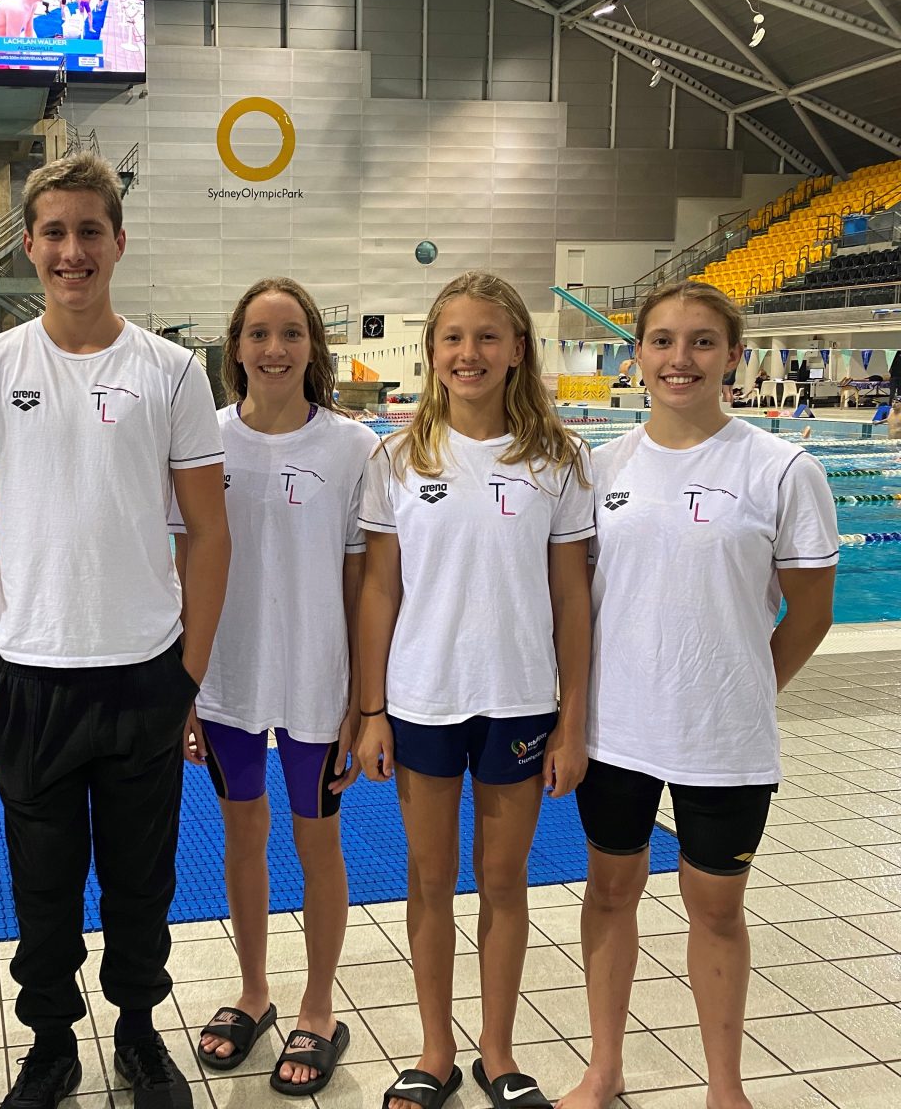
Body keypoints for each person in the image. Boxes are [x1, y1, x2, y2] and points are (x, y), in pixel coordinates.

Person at [0, 152, 229, 1109]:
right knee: (45, 884)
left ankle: (140, 1032)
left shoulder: (171, 371)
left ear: (119, 241)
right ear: (27, 246)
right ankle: (53, 1044)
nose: (72, 251)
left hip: (145, 673)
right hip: (29, 677)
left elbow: (208, 530)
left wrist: (188, 672)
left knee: (143, 880)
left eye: (89, 231)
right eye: (54, 233)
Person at [556, 281, 837, 1109]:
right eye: (664, 341)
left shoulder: (782, 469)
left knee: (716, 910)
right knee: (611, 893)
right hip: (615, 731)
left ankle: (725, 1088)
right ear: (637, 356)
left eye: (703, 342)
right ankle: (604, 1069)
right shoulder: (599, 468)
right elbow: (575, 602)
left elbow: (811, 613)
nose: (681, 359)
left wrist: (744, 688)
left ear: (733, 357)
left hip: (725, 739)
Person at [355, 271, 593, 1109]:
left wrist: (573, 721)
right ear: (431, 351)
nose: (470, 353)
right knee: (429, 879)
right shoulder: (396, 458)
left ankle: (498, 1051)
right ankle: (435, 1049)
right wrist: (372, 710)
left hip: (520, 700)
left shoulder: (558, 458)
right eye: (453, 337)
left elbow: (572, 598)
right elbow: (378, 590)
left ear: (518, 349)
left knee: (503, 878)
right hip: (422, 698)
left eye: (488, 336)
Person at [177, 278, 375, 1097]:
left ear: (313, 346)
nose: (274, 349)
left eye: (291, 332)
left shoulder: (353, 447)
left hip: (316, 681)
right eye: (258, 333)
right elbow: (182, 563)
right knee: (242, 835)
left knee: (317, 840)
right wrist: (184, 688)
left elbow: (365, 583)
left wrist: (364, 701)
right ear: (235, 348)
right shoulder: (204, 440)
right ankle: (255, 991)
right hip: (227, 675)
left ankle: (319, 1005)